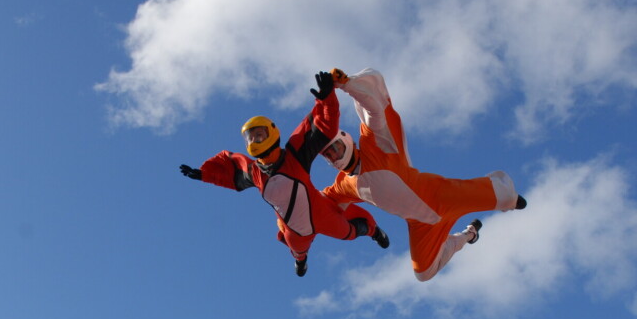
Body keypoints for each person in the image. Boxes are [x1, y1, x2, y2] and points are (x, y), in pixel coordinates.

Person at [319, 68, 527, 282]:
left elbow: (373, 109)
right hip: (421, 224)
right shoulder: (344, 185)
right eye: (328, 155)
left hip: (439, 195)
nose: (334, 157)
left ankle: (508, 200)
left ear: (347, 140)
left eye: (335, 149)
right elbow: (319, 201)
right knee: (423, 273)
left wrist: (345, 85)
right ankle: (469, 234)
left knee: (507, 197)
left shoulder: (374, 144)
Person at [179, 71, 389, 277]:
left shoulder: (294, 154)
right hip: (296, 229)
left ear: (272, 133)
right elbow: (231, 175)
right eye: (250, 138)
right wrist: (204, 174)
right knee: (297, 249)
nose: (254, 141)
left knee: (350, 233)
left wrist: (327, 97)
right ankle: (301, 260)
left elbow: (323, 125)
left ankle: (374, 231)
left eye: (259, 135)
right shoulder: (254, 172)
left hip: (321, 213)